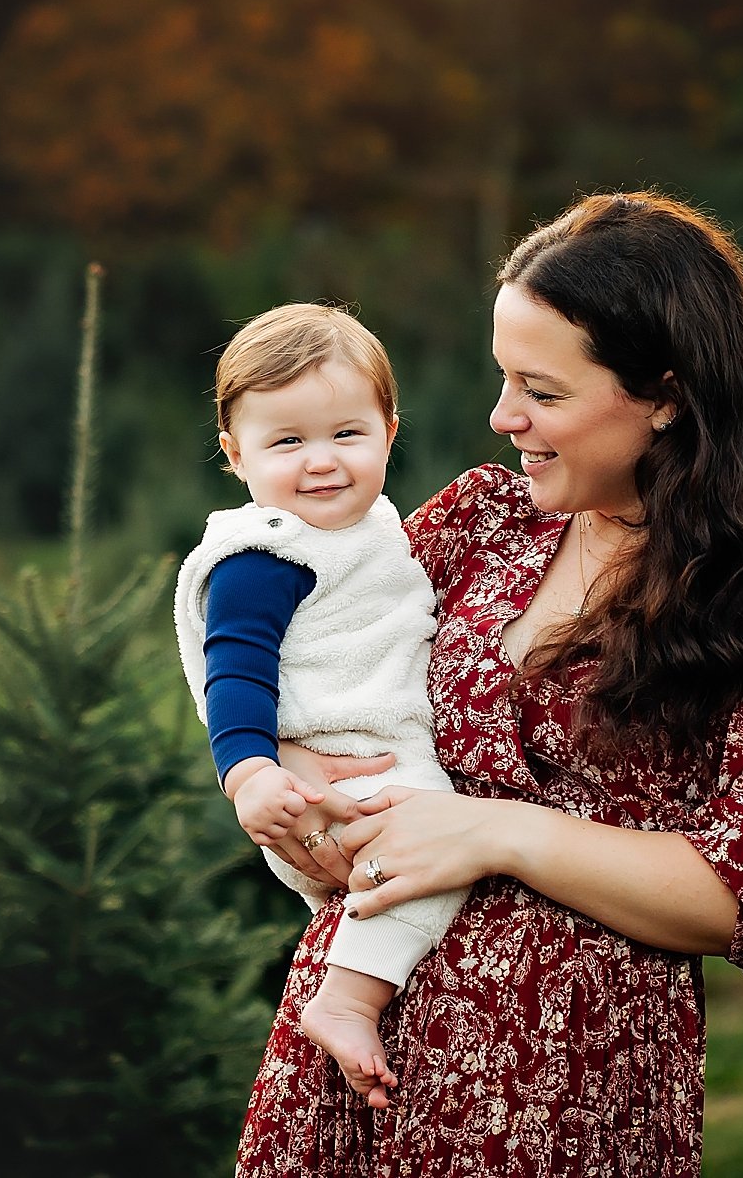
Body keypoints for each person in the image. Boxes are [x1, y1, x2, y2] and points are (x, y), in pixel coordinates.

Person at [233, 191, 743, 1177]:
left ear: (664, 393)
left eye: (540, 391)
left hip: (568, 1082)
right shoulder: (478, 524)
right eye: (503, 380)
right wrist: (280, 773)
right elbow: (317, 663)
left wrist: (501, 832)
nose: (502, 418)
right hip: (356, 1047)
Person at [174, 303, 467, 1110]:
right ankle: (344, 1001)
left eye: (347, 433)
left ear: (390, 430)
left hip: (367, 769)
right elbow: (234, 673)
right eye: (286, 442)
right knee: (431, 853)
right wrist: (251, 774)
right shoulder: (266, 556)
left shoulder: (372, 527)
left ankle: (356, 984)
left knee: (410, 877)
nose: (322, 462)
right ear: (235, 455)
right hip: (336, 779)